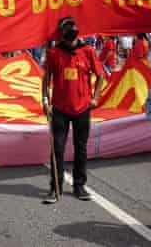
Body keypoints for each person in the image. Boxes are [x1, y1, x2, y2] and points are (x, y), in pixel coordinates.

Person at [41, 16, 105, 204]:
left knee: (81, 149)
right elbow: (46, 78)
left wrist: (95, 97)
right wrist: (45, 100)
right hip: (59, 109)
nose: (71, 30)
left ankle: (79, 186)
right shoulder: (54, 53)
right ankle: (56, 188)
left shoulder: (88, 51)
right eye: (67, 28)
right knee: (57, 149)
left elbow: (100, 75)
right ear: (62, 32)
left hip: (82, 109)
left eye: (73, 26)